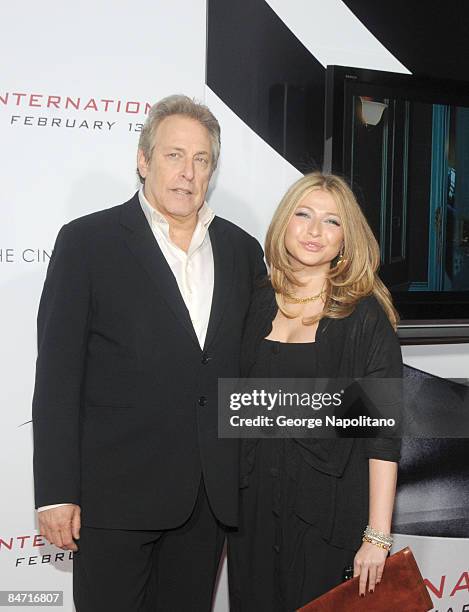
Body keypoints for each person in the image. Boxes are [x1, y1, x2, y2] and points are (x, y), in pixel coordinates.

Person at [32, 94, 265, 611]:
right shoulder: (87, 243)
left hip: (206, 500)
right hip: (113, 498)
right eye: (174, 155)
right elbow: (56, 378)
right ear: (143, 160)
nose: (188, 173)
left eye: (201, 159)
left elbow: (254, 363)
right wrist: (55, 491)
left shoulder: (242, 250)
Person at [228, 172, 402, 611]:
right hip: (252, 513)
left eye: (332, 221)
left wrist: (377, 537)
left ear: (346, 240)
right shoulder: (254, 303)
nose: (314, 231)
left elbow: (382, 436)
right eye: (303, 214)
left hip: (327, 514)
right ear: (284, 222)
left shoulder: (364, 317)